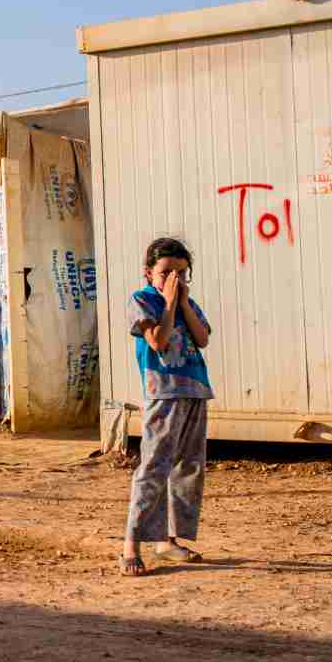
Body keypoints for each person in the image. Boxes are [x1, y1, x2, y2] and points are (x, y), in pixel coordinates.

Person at [119, 237, 213, 576]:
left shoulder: (189, 303)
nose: (175, 279)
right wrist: (170, 303)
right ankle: (131, 545)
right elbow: (158, 341)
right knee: (154, 466)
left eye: (182, 273)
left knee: (188, 467)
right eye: (167, 273)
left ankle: (166, 540)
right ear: (148, 273)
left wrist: (183, 303)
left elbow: (202, 338)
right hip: (164, 393)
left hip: (195, 389)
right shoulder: (143, 300)